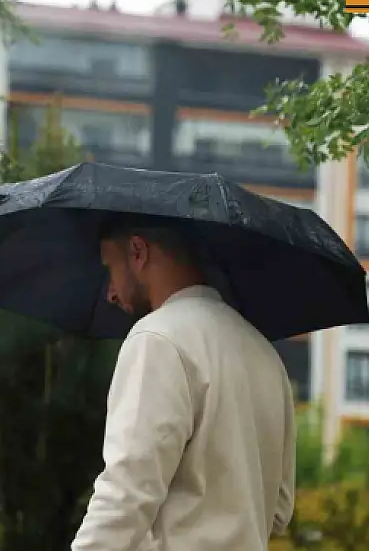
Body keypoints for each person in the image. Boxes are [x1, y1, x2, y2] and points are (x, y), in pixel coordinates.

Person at [71, 214, 295, 551]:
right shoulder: (264, 353)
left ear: (137, 251)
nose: (110, 293)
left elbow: (126, 493)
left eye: (109, 269)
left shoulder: (157, 339)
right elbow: (280, 509)